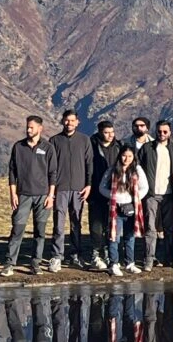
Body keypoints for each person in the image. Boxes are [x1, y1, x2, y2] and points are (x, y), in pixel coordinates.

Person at [3, 115, 58, 276]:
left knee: (40, 232)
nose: (28, 130)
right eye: (27, 127)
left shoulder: (48, 148)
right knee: (17, 229)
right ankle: (9, 264)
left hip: (42, 196)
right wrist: (13, 194)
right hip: (23, 195)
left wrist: (51, 196)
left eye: (32, 127)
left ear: (40, 128)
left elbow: (53, 174)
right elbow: (12, 172)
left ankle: (35, 264)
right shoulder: (18, 147)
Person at [49, 109, 93, 271]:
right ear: (62, 121)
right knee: (58, 224)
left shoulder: (84, 140)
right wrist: (51, 189)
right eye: (67, 120)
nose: (69, 123)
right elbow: (50, 166)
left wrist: (88, 185)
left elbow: (89, 164)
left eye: (72, 120)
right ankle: (56, 256)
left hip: (79, 189)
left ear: (77, 122)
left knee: (76, 224)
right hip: (60, 188)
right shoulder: (54, 140)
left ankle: (75, 255)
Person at [98, 145, 149, 276]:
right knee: (114, 236)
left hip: (132, 207)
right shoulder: (113, 170)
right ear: (120, 156)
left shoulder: (137, 170)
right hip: (115, 208)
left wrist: (134, 198)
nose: (126, 159)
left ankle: (129, 263)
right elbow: (102, 187)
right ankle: (113, 264)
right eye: (124, 156)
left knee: (130, 236)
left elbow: (145, 187)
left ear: (134, 157)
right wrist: (114, 196)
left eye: (130, 156)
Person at [139, 120, 173, 270]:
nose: (162, 134)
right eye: (159, 131)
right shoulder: (146, 148)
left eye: (165, 131)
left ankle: (169, 257)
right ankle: (149, 258)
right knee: (150, 228)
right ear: (155, 132)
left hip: (169, 194)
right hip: (151, 194)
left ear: (170, 132)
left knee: (169, 228)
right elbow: (139, 168)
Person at [89, 120, 119, 271]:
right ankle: (96, 254)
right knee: (96, 225)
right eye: (106, 132)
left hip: (113, 193)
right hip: (95, 192)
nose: (110, 135)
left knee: (110, 225)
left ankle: (109, 253)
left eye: (112, 132)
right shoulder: (91, 146)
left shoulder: (118, 147)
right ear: (100, 132)